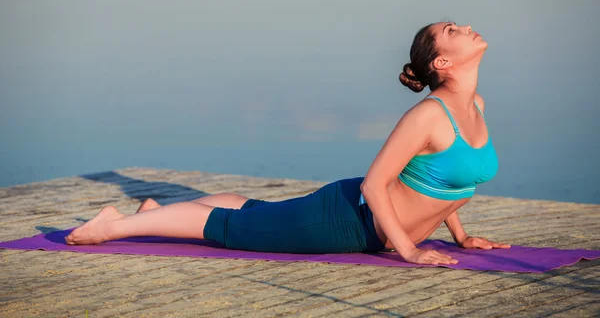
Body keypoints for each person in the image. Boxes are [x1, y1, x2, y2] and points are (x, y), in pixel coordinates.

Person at [65, 21, 511, 265]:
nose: (466, 26)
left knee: (257, 211)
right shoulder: (428, 115)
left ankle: (157, 215)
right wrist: (410, 250)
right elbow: (377, 185)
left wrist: (461, 234)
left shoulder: (476, 107)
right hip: (346, 222)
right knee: (233, 229)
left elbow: (455, 181)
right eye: (453, 29)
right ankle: (113, 224)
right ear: (442, 61)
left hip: (367, 224)